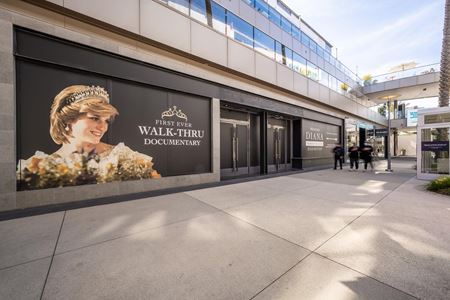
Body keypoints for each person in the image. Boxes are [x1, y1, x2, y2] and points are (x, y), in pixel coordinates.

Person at [17, 85, 160, 190]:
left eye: (106, 121)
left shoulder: (120, 157)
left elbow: (155, 190)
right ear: (68, 120)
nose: (103, 127)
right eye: (95, 118)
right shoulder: (36, 167)